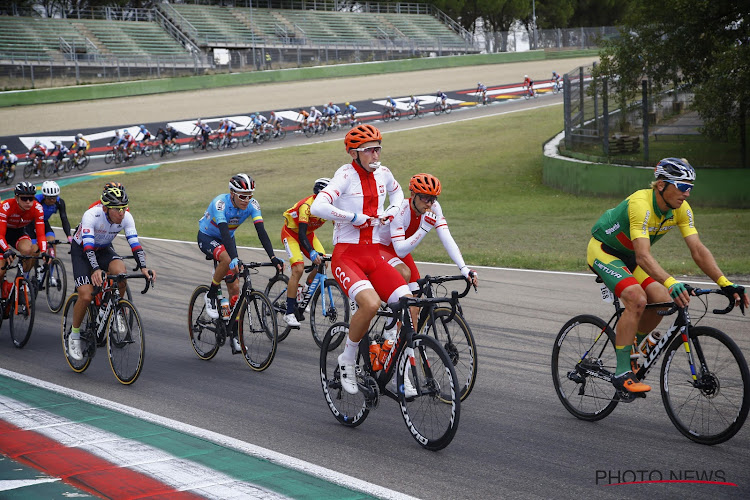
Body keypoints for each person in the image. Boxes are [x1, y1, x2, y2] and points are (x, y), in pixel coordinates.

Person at [587, 157, 748, 395]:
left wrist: (725, 283)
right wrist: (672, 281)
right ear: (661, 185)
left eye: (690, 188)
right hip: (605, 251)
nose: (687, 193)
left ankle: (633, 345)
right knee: (637, 298)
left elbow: (698, 250)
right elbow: (643, 256)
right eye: (682, 187)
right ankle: (622, 372)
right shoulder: (641, 203)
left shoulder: (681, 210)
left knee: (662, 298)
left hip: (630, 257)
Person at [310, 124, 413, 396]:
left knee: (410, 305)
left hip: (374, 255)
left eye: (378, 149)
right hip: (347, 257)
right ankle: (347, 357)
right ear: (355, 153)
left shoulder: (384, 173)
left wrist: (392, 209)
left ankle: (394, 355)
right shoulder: (344, 175)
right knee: (370, 303)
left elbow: (399, 193)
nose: (375, 155)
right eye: (369, 151)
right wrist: (353, 218)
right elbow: (319, 206)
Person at [67, 184, 155, 361]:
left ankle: (116, 310)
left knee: (121, 273)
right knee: (85, 295)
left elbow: (135, 244)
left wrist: (144, 267)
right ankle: (74, 334)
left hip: (104, 249)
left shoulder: (126, 217)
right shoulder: (92, 215)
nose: (122, 213)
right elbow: (88, 247)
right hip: (83, 250)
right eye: (117, 209)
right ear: (106, 208)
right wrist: (95, 269)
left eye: (124, 208)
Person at [197, 174, 284, 351]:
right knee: (228, 259)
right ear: (232, 194)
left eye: (249, 195)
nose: (246, 200)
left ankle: (234, 333)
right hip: (208, 236)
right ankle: (211, 294)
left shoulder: (252, 205)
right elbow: (222, 231)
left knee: (235, 289)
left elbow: (261, 232)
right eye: (242, 196)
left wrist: (273, 257)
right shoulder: (220, 204)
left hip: (228, 238)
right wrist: (233, 258)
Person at [380, 173, 479, 293]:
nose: (429, 203)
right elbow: (400, 250)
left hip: (401, 250)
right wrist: (424, 229)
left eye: (433, 198)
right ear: (413, 195)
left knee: (416, 298)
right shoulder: (400, 210)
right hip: (380, 248)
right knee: (404, 273)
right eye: (425, 198)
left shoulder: (435, 207)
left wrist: (464, 268)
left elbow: (447, 238)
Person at [280, 177, 330, 327]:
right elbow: (301, 234)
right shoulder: (306, 206)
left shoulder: (331, 206)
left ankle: (305, 291)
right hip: (292, 234)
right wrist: (311, 252)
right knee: (298, 269)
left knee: (323, 263)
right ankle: (289, 313)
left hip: (309, 235)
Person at [0, 182, 48, 285]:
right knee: (1, 271)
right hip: (2, 234)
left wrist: (44, 251)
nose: (28, 202)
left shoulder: (37, 208)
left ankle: (21, 280)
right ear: (16, 198)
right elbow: (1, 235)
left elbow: (40, 234)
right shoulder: (6, 206)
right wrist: (6, 249)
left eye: (31, 199)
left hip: (18, 232)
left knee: (31, 250)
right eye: (24, 198)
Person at [28, 181, 72, 283]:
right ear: (43, 196)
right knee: (35, 250)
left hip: (44, 223)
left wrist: (69, 237)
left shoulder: (60, 202)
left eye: (54, 197)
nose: (52, 200)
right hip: (31, 224)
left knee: (52, 242)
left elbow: (64, 219)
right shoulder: (36, 201)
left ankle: (50, 276)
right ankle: (32, 274)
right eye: (49, 198)